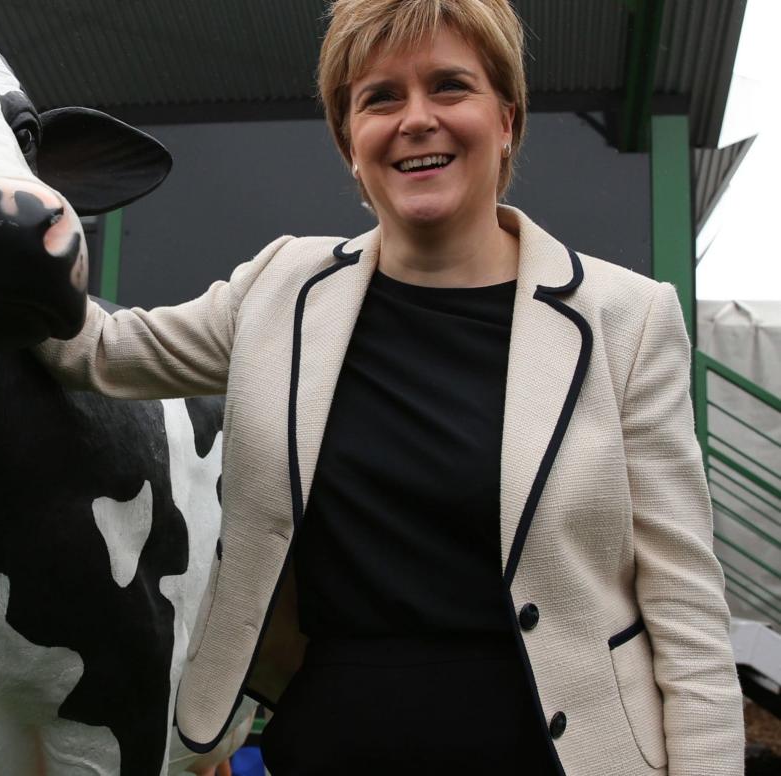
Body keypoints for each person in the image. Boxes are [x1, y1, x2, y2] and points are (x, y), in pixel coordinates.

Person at [37, 0, 744, 773]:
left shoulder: (627, 320)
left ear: (506, 120)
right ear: (349, 142)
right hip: (332, 746)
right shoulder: (281, 289)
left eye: (449, 87)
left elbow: (686, 607)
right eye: (380, 98)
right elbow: (100, 351)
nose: (417, 119)